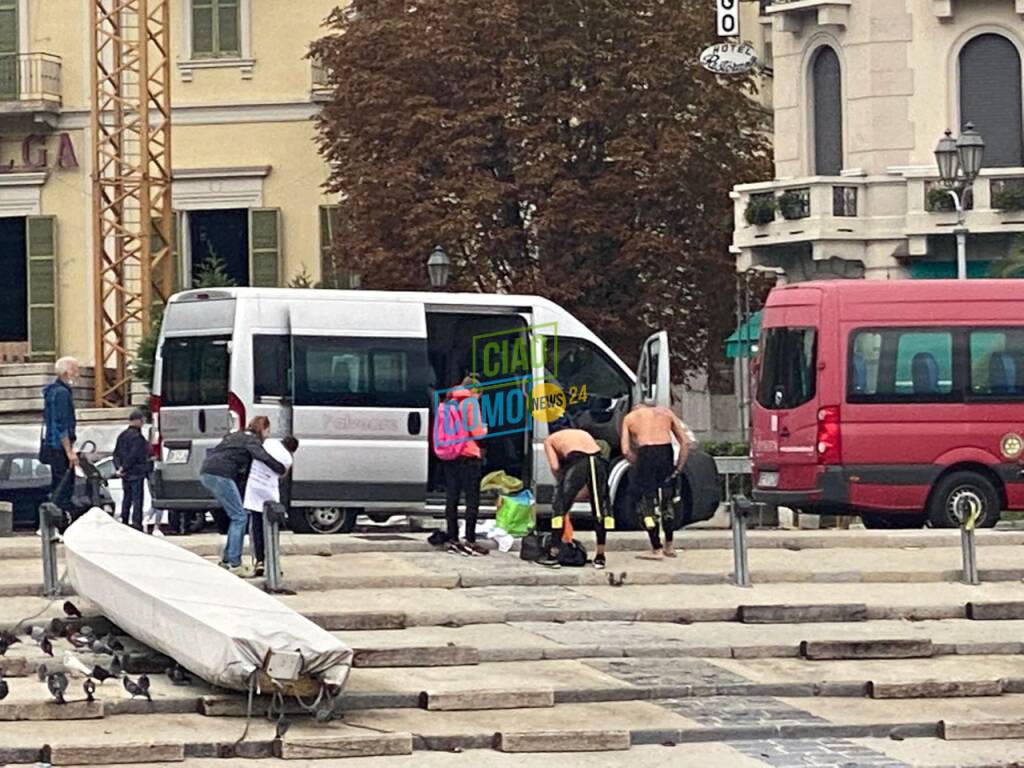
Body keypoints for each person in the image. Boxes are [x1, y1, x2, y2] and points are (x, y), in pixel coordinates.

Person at [200, 416, 287, 576]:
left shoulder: (236, 435)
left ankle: (226, 560)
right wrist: (279, 468)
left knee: (236, 515)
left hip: (207, 472)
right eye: (268, 431)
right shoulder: (251, 440)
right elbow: (262, 456)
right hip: (221, 475)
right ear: (263, 429)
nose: (267, 435)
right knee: (239, 517)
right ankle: (235, 563)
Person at [621, 403, 692, 560]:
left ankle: (656, 547)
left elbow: (625, 450)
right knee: (668, 502)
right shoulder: (665, 412)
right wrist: (678, 468)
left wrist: (637, 463)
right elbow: (686, 442)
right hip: (665, 453)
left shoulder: (630, 418)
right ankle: (669, 545)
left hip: (645, 454)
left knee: (647, 503)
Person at [540, 421, 612, 569]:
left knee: (559, 509)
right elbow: (593, 457)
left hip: (577, 462)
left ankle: (553, 555)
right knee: (599, 510)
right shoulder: (582, 433)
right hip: (598, 462)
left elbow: (555, 466)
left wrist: (562, 485)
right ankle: (600, 557)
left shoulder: (550, 440)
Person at [434, 376, 488, 556]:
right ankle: (470, 540)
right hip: (468, 455)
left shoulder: (447, 402)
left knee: (452, 497)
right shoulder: (470, 402)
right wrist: (485, 428)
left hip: (449, 455)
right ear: (475, 391)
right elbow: (477, 433)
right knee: (472, 499)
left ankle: (453, 538)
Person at [243, 435, 299, 576]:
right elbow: (282, 475)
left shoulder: (269, 442)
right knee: (272, 529)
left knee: (256, 526)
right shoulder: (288, 458)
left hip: (254, 487)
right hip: (270, 492)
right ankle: (272, 562)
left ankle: (259, 561)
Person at [40, 357, 80, 519]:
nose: (77, 374)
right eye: (75, 370)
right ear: (66, 372)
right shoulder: (62, 394)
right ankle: (58, 519)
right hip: (59, 447)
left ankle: (55, 519)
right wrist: (69, 451)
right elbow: (62, 424)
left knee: (58, 483)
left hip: (52, 445)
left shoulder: (51, 392)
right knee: (64, 486)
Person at [113, 410, 150, 531]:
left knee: (126, 498)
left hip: (125, 473)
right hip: (136, 472)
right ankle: (136, 524)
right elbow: (134, 455)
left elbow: (116, 454)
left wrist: (119, 468)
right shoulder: (138, 437)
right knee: (137, 500)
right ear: (138, 420)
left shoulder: (122, 436)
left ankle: (124, 521)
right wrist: (125, 467)